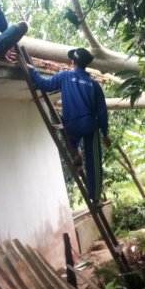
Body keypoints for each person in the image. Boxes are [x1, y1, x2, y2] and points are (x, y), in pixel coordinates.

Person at [29, 48, 111, 202]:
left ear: (73, 62)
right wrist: (105, 133)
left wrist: (32, 71)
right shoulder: (94, 85)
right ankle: (95, 197)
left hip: (72, 126)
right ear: (86, 65)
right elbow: (102, 112)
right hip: (89, 126)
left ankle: (75, 150)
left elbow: (44, 85)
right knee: (94, 162)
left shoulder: (65, 76)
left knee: (61, 122)